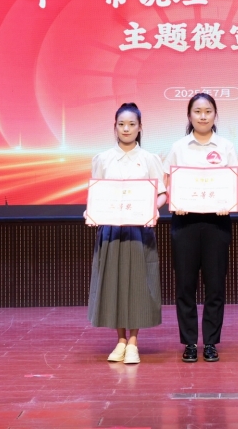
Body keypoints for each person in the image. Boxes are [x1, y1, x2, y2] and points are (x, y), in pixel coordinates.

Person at [87, 103, 168, 365]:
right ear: (115, 127)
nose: (126, 129)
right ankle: (120, 340)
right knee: (114, 282)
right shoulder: (102, 159)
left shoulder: (150, 159)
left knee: (138, 283)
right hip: (111, 231)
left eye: (132, 124)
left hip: (139, 230)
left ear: (140, 127)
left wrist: (152, 209)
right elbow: (96, 194)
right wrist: (91, 212)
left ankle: (133, 341)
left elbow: (162, 194)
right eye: (121, 124)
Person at [164, 93, 238, 363]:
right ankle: (189, 342)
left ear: (215, 115)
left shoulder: (226, 146)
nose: (203, 116)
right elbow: (168, 182)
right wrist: (176, 200)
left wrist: (227, 202)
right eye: (197, 111)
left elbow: (231, 181)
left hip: (217, 222)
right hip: (185, 222)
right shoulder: (178, 147)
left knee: (215, 285)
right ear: (189, 115)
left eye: (208, 111)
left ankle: (210, 342)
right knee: (185, 286)